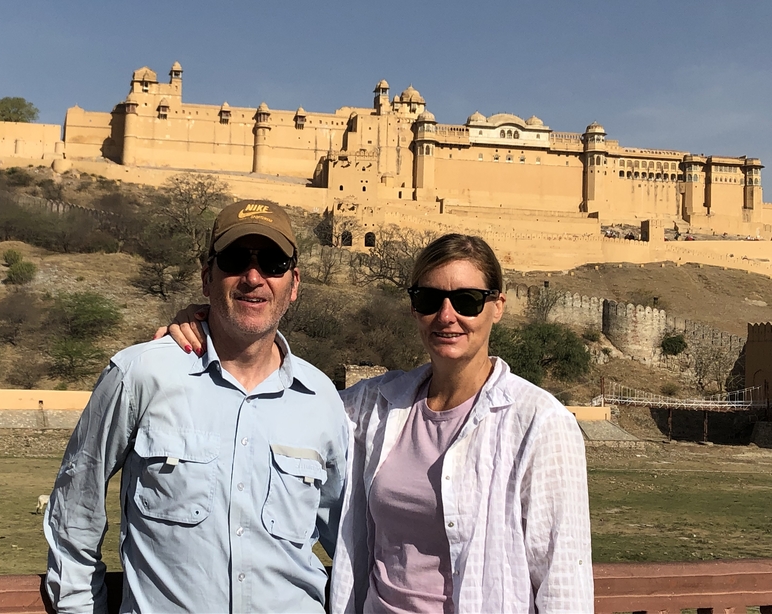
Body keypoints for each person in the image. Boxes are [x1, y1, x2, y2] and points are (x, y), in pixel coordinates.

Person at [162, 232, 594, 613]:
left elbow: (563, 584)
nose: (446, 316)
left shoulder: (538, 423)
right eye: (428, 300)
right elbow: (281, 403)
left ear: (497, 306)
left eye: (466, 301)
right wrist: (211, 325)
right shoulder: (374, 407)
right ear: (413, 308)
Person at [44, 199, 349, 613]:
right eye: (236, 260)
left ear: (294, 284)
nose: (254, 278)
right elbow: (75, 507)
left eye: (273, 263)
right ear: (208, 277)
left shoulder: (322, 399)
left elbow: (350, 543)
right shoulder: (141, 374)